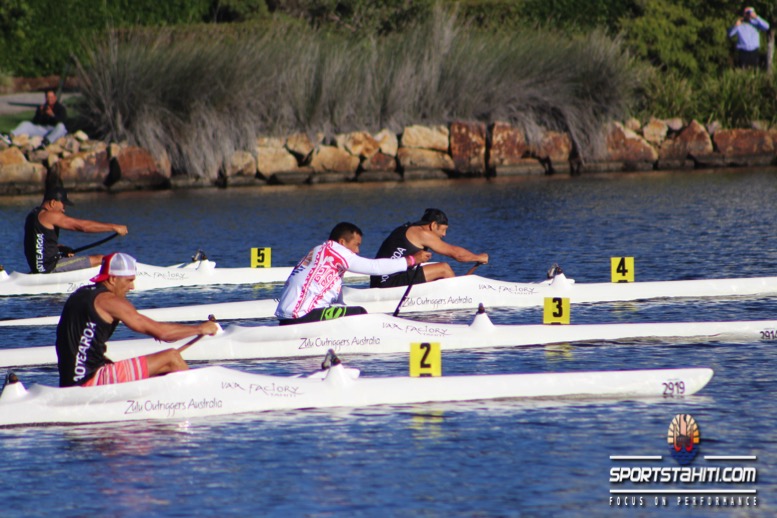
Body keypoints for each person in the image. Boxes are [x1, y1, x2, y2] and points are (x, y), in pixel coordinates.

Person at [56, 252, 220, 387]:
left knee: (155, 371)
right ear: (113, 279)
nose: (132, 287)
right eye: (129, 280)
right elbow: (163, 334)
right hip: (89, 381)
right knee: (171, 358)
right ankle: (198, 400)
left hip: (71, 380)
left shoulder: (81, 293)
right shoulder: (109, 301)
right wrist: (201, 328)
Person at [275, 222, 431, 325]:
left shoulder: (320, 250)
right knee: (359, 312)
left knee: (346, 310)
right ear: (342, 242)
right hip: (301, 316)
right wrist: (410, 260)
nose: (357, 251)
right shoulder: (336, 251)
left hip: (287, 317)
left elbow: (333, 294)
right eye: (356, 245)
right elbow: (374, 267)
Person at [370, 208, 489, 288]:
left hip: (380, 279)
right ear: (433, 225)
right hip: (386, 282)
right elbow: (456, 254)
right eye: (443, 230)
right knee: (444, 268)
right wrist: (478, 257)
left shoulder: (409, 228)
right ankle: (459, 296)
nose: (444, 234)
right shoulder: (422, 233)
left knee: (433, 268)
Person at [23, 185, 129, 274]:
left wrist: (61, 248)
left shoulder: (33, 215)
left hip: (39, 267)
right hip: (50, 267)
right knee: (101, 259)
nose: (64, 209)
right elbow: (82, 226)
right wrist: (114, 227)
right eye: (63, 204)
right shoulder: (49, 216)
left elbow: (38, 244)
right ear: (53, 203)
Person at [0, 89, 68, 147]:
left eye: (51, 97)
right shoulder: (43, 107)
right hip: (42, 129)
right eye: (48, 97)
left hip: (53, 129)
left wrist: (52, 115)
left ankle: (45, 143)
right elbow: (35, 121)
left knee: (61, 127)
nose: (50, 99)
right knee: (26, 124)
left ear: (55, 98)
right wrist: (40, 113)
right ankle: (10, 136)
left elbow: (62, 121)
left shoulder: (60, 108)